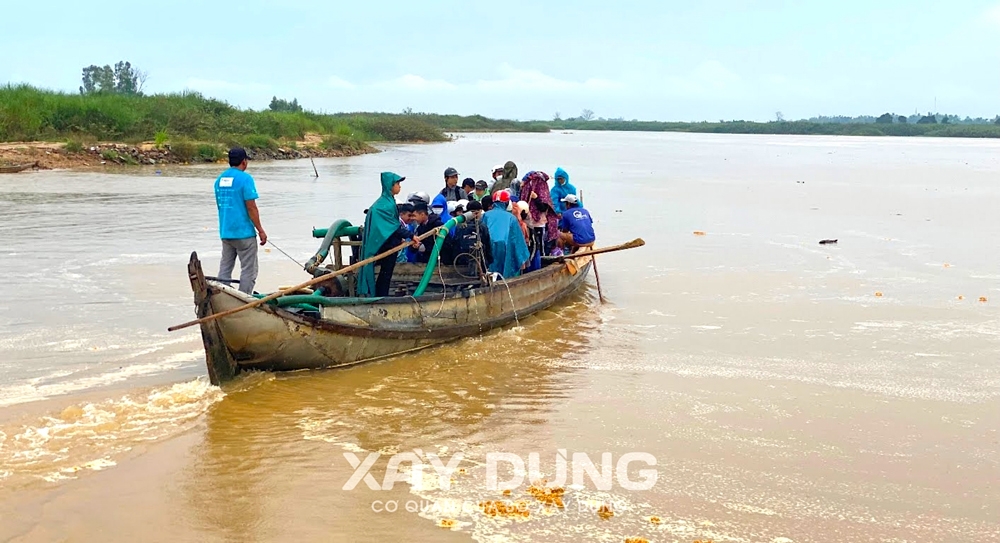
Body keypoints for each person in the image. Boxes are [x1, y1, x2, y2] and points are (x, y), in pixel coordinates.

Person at [358, 172, 419, 297]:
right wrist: (411, 236)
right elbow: (393, 227)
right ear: (389, 185)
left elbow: (392, 227)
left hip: (388, 243)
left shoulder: (389, 202)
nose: (399, 186)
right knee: (382, 273)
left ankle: (381, 295)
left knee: (386, 273)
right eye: (397, 183)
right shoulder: (384, 205)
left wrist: (400, 240)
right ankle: (377, 295)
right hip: (380, 244)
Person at [215, 147, 266, 294]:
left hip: (226, 232)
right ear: (244, 162)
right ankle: (243, 299)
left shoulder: (219, 180)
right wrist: (261, 230)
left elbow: (220, 206)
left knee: (225, 268)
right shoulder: (245, 179)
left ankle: (222, 295)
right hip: (244, 233)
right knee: (249, 270)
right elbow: (251, 207)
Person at [481, 193, 530, 278]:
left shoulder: (486, 215)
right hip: (505, 249)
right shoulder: (511, 218)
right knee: (505, 273)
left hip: (488, 249)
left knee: (489, 272)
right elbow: (517, 240)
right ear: (506, 203)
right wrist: (522, 258)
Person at [519, 171, 559, 258]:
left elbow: (543, 208)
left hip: (539, 223)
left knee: (540, 245)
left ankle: (542, 260)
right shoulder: (526, 189)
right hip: (528, 222)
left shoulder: (543, 191)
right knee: (530, 244)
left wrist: (536, 198)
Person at [446, 200, 492, 271]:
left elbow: (455, 244)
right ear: (478, 212)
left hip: (462, 263)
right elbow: (487, 244)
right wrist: (489, 260)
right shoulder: (482, 226)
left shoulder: (459, 226)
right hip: (480, 264)